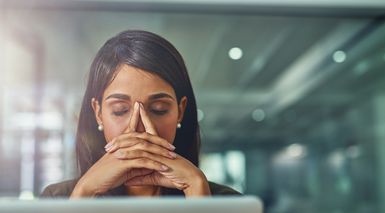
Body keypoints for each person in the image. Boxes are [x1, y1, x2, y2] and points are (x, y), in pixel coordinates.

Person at [41, 30, 240, 198]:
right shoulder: (59, 198)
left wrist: (196, 188)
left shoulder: (224, 201)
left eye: (158, 109)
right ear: (99, 113)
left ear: (180, 111)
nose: (139, 128)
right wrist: (85, 191)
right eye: (120, 110)